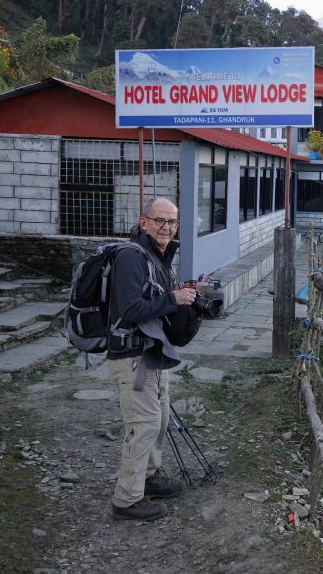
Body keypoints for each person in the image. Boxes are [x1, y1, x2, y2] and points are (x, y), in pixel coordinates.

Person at [108, 197, 200, 521]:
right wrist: (173, 299)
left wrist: (184, 299)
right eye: (159, 221)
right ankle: (127, 499)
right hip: (132, 355)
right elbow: (129, 309)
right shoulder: (132, 258)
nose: (166, 228)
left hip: (154, 352)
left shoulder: (158, 256)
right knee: (144, 424)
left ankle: (148, 478)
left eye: (172, 222)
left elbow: (157, 303)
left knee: (159, 420)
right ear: (143, 221)